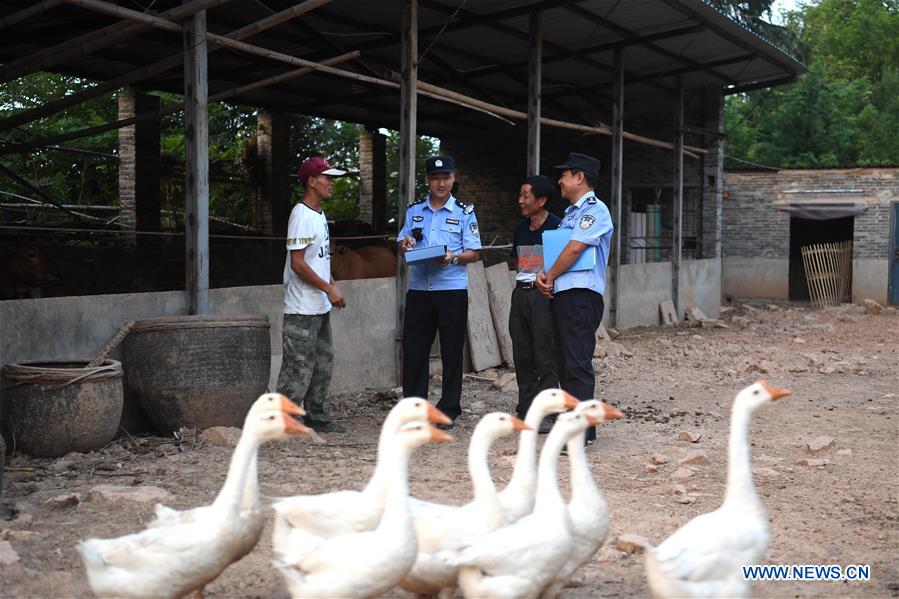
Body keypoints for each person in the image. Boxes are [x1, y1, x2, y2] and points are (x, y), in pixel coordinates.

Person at [397, 155, 481, 429]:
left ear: (453, 178)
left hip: (451, 291)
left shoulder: (464, 212)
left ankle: (448, 410)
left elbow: (474, 252)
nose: (441, 183)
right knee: (414, 351)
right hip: (419, 290)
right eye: (435, 178)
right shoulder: (414, 210)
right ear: (427, 180)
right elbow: (403, 240)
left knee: (452, 352)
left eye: (446, 177)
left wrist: (453, 257)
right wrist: (405, 243)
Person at [536, 153, 613, 445]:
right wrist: (544, 275)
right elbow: (558, 251)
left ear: (579, 177)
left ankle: (579, 434)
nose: (559, 181)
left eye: (564, 175)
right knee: (565, 363)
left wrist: (550, 275)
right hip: (564, 295)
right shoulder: (570, 214)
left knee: (576, 363)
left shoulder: (595, 210)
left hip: (581, 296)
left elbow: (574, 249)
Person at [277, 156, 347, 433]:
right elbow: (297, 263)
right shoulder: (301, 215)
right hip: (301, 308)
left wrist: (331, 284)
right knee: (297, 366)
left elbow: (318, 259)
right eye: (327, 178)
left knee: (322, 363)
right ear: (311, 182)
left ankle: (316, 415)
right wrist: (328, 288)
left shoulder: (319, 214)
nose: (331, 183)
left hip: (318, 305)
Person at [508, 175, 562, 426]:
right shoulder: (520, 228)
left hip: (544, 298)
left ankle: (549, 412)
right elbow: (517, 263)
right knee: (522, 353)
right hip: (520, 294)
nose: (520, 200)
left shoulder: (557, 228)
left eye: (525, 196)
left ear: (541, 200)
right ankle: (527, 409)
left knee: (545, 354)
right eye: (520, 195)